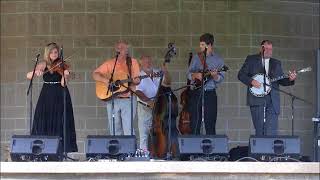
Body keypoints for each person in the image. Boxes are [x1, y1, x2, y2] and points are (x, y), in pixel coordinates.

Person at [26, 42, 78, 154]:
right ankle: (42, 150)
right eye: (52, 52)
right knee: (43, 118)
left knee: (60, 120)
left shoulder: (62, 64)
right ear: (47, 53)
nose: (54, 54)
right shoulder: (43, 64)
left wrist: (66, 75)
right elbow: (28, 76)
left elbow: (63, 84)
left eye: (56, 52)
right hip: (46, 95)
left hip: (60, 93)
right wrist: (37, 72)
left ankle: (60, 150)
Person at [238, 40, 297, 136]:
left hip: (272, 101)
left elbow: (281, 80)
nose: (269, 51)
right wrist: (251, 81)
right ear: (261, 48)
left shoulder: (276, 63)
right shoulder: (251, 59)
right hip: (257, 100)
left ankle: (269, 151)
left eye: (271, 49)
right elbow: (241, 75)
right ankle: (259, 151)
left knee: (271, 132)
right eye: (267, 48)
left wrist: (290, 79)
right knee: (260, 131)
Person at [92, 41, 140, 135]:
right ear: (117, 50)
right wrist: (107, 81)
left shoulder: (132, 62)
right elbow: (95, 74)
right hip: (113, 99)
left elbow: (136, 81)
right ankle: (117, 149)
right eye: (123, 48)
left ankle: (129, 150)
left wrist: (136, 81)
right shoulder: (110, 64)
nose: (126, 50)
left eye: (126, 48)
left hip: (128, 100)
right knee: (114, 130)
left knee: (129, 130)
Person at [187, 33, 225, 135]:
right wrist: (195, 75)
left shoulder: (218, 60)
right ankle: (194, 149)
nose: (200, 47)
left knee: (210, 122)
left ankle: (210, 149)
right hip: (196, 92)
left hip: (210, 92)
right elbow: (188, 74)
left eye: (202, 45)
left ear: (209, 45)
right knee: (195, 122)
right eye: (200, 44)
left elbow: (220, 78)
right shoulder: (196, 57)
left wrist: (215, 76)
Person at [135, 55, 171, 152]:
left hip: (158, 108)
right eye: (146, 62)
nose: (148, 63)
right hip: (144, 107)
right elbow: (138, 92)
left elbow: (168, 83)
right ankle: (144, 154)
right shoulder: (138, 75)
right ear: (141, 63)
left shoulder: (157, 72)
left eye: (149, 61)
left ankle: (158, 153)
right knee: (144, 132)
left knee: (159, 131)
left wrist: (166, 72)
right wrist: (149, 102)